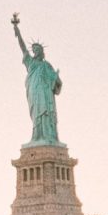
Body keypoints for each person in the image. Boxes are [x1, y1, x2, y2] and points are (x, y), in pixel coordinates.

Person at [11, 13, 63, 144]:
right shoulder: (31, 63)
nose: (35, 51)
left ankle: (49, 137)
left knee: (47, 114)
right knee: (37, 114)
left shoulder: (47, 65)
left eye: (37, 49)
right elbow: (23, 48)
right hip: (34, 91)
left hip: (46, 93)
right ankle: (37, 136)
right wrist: (17, 30)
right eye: (33, 49)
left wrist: (56, 79)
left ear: (42, 51)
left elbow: (57, 84)